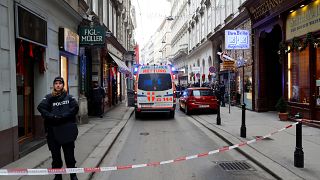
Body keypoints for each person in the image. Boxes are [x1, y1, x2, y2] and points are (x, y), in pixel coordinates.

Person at [37, 77, 79, 180]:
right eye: (56, 83)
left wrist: (63, 116)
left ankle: (73, 175)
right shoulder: (48, 98)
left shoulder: (69, 97)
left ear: (63, 85)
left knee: (69, 157)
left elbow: (75, 108)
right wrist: (52, 117)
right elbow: (41, 108)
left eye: (60, 83)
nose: (58, 85)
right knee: (56, 157)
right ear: (54, 85)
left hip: (67, 131)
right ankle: (58, 176)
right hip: (53, 132)